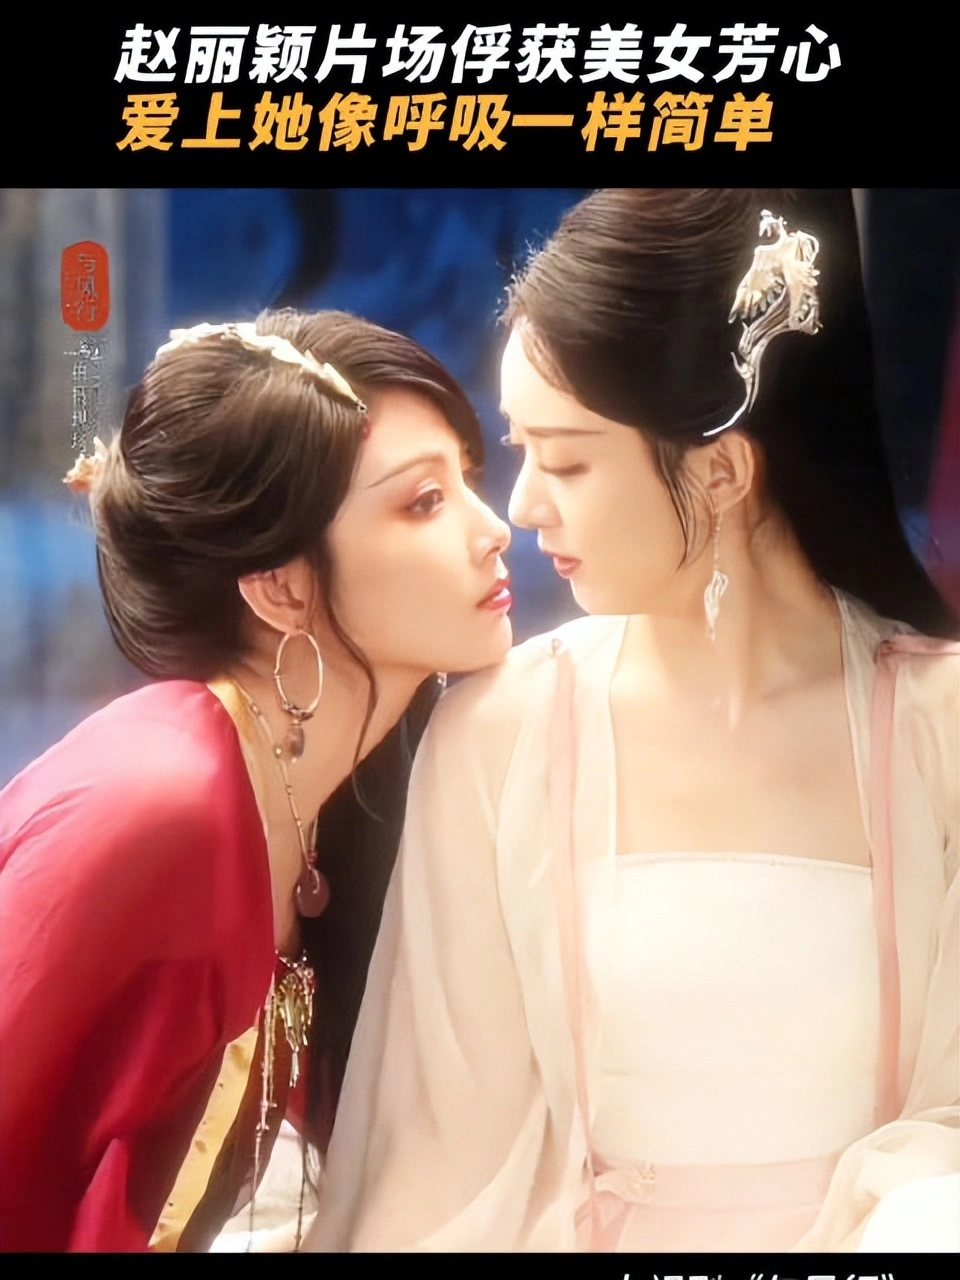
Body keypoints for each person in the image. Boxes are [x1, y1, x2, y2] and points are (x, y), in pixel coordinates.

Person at [306, 190, 959, 1253]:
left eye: (566, 460)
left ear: (722, 469)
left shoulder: (940, 726)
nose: (523, 506)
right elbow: (443, 1164)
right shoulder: (502, 731)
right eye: (520, 450)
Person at [0, 309, 513, 1253]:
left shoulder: (313, 801)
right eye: (424, 501)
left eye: (470, 482)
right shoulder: (163, 809)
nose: (496, 529)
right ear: (280, 587)